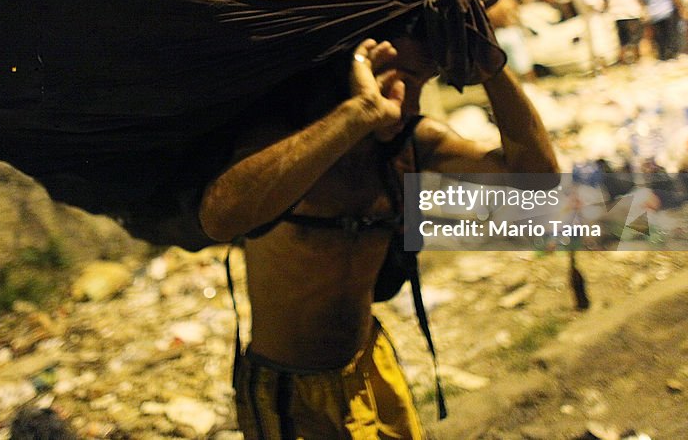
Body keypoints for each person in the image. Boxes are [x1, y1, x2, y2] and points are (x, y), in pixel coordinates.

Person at [199, 25, 557, 439]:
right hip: (291, 393)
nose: (413, 100)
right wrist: (360, 112)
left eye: (422, 81)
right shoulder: (285, 140)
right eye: (400, 77)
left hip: (370, 367)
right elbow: (220, 217)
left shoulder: (411, 144)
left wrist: (492, 69)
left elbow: (538, 188)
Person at [570, 0, 608, 72]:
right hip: (593, 17)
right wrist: (600, 6)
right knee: (598, 42)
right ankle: (601, 68)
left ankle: (597, 68)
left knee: (592, 43)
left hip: (586, 17)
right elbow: (591, 2)